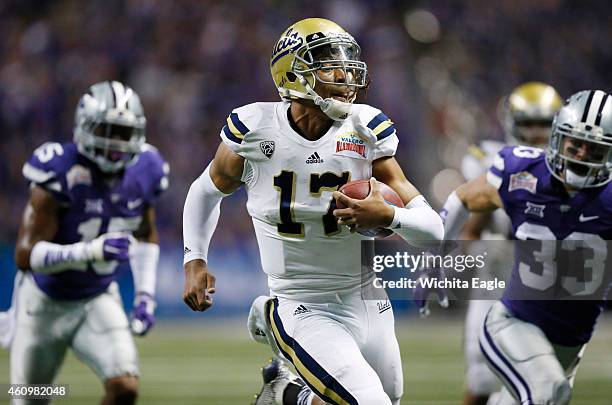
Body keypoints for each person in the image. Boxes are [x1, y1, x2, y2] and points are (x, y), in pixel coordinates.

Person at [182, 18, 443, 405]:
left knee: (383, 397)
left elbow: (435, 232)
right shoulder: (255, 130)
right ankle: (272, 318)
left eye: (347, 62)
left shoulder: (366, 129)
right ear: (291, 72)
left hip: (368, 296)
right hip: (301, 301)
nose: (345, 73)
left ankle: (287, 394)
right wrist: (194, 259)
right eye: (328, 63)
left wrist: (389, 217)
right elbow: (205, 191)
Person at [440, 89, 612, 405]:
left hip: (567, 326)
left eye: (593, 150)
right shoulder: (514, 166)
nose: (579, 156)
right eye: (574, 144)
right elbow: (466, 208)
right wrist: (440, 257)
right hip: (508, 298)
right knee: (523, 387)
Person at [9, 80, 169, 405]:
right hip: (43, 302)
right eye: (108, 130)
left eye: (125, 133)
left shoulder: (146, 168)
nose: (117, 143)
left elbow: (145, 234)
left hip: (97, 298)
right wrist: (92, 251)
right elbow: (26, 255)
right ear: (85, 127)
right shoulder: (59, 167)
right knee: (31, 399)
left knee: (125, 387)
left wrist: (145, 297)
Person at [458, 82, 562, 405]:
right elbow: (471, 231)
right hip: (497, 277)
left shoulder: (572, 168)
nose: (535, 134)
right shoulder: (491, 159)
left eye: (544, 124)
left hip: (547, 282)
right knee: (483, 379)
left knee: (537, 382)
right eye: (528, 124)